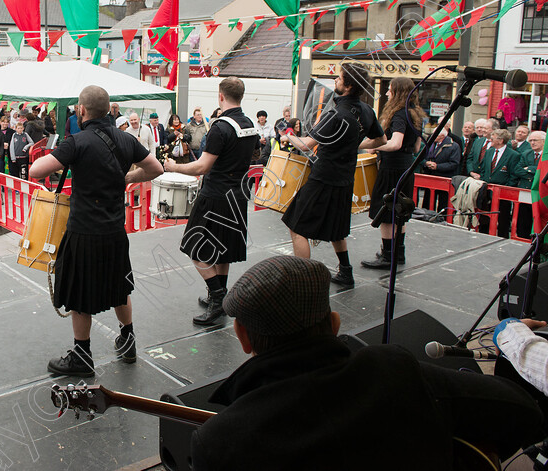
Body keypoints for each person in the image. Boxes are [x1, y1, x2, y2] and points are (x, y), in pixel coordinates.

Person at [190, 255, 545, 470]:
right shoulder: (392, 374)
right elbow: (523, 413)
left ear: (243, 336)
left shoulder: (219, 441)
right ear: (334, 324)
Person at [29, 85, 163, 377]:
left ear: (82, 110)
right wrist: (129, 176)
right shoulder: (127, 139)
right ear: (108, 109)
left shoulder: (76, 142)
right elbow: (156, 169)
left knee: (79, 293)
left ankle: (82, 355)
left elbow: (35, 171)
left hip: (84, 231)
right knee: (119, 286)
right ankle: (128, 342)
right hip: (115, 230)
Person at [164, 77, 259, 325]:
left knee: (195, 249)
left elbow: (203, 166)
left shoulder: (220, 126)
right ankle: (221, 297)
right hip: (238, 195)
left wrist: (174, 167)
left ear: (220, 96)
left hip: (216, 194)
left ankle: (217, 297)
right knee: (223, 250)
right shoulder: (248, 123)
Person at [280, 63, 386, 287]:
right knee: (337, 228)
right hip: (345, 179)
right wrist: (356, 143)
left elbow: (307, 144)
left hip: (323, 179)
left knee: (296, 225)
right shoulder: (367, 111)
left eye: (339, 78)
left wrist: (288, 135)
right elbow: (381, 140)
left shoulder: (335, 114)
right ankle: (346, 272)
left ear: (347, 86)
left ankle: (304, 280)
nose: (335, 81)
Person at [360, 77, 423, 270]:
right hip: (406, 167)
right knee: (400, 211)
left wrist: (371, 146)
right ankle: (398, 253)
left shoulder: (399, 115)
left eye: (389, 90)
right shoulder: (414, 114)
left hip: (392, 168)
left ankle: (388, 256)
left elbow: (395, 143)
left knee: (386, 211)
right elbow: (416, 146)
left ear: (397, 92)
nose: (387, 93)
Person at [474, 129, 526, 238]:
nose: (490, 140)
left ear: (501, 140)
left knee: (503, 219)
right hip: (487, 191)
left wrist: (506, 189)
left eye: (493, 138)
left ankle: (502, 238)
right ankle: (483, 236)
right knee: (485, 217)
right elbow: (483, 169)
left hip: (503, 193)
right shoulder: (489, 152)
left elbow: (513, 175)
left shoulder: (513, 155)